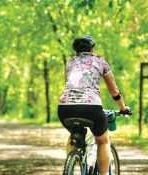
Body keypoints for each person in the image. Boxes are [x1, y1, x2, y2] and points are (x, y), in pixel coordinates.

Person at [58, 35, 131, 175]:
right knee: (102, 140)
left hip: (65, 108)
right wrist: (123, 108)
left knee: (74, 135)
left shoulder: (70, 62)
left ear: (76, 52)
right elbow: (114, 90)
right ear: (92, 49)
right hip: (91, 107)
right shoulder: (100, 61)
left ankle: (72, 167)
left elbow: (69, 86)